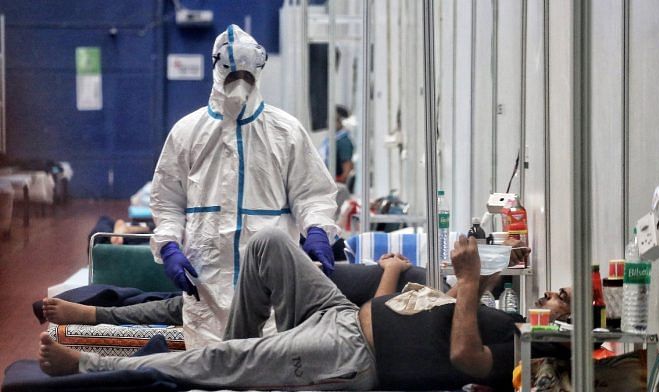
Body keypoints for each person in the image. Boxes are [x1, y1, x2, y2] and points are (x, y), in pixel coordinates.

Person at [38, 229, 557, 391]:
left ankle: (89, 364)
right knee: (266, 245)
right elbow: (410, 313)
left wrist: (468, 283)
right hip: (342, 314)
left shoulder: (518, 347)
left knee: (223, 360)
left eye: (562, 302)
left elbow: (466, 359)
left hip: (353, 353)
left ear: (560, 337)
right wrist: (484, 275)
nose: (552, 296)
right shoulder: (497, 312)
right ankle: (227, 356)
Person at [150, 24, 339, 348]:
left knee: (267, 375)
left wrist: (318, 230)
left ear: (258, 73)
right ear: (216, 72)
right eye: (232, 77)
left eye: (247, 78)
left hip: (273, 299)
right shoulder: (187, 132)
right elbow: (167, 200)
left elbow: (314, 195)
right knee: (210, 376)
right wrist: (168, 245)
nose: (240, 86)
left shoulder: (286, 131)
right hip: (206, 290)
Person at [320, 105, 355, 186]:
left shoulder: (343, 141)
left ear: (340, 121)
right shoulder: (331, 139)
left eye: (333, 120)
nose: (328, 122)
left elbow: (347, 170)